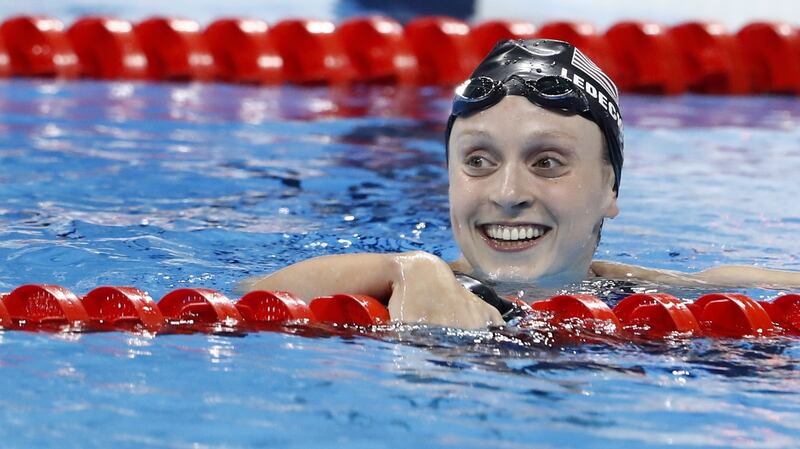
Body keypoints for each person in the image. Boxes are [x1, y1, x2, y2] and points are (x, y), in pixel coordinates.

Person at [241, 39, 800, 329]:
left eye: (548, 162)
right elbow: (250, 297)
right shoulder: (406, 284)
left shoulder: (656, 295)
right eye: (478, 161)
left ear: (611, 190)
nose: (507, 192)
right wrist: (407, 267)